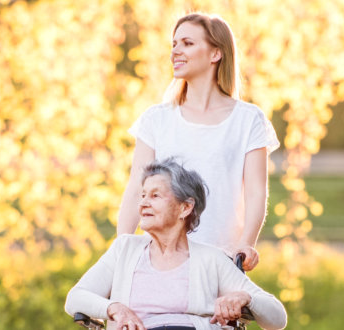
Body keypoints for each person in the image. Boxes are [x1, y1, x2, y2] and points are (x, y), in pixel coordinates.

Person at [117, 12, 278, 272]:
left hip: (222, 263)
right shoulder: (156, 119)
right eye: (174, 44)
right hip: (160, 264)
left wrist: (247, 245)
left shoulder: (248, 120)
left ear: (216, 53)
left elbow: (256, 193)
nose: (175, 51)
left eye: (187, 43)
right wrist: (121, 249)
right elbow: (136, 189)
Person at [70, 159, 287, 330]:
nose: (144, 202)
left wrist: (244, 297)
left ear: (185, 208)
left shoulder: (212, 259)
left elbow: (277, 318)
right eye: (143, 195)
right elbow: (75, 299)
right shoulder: (124, 249)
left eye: (155, 196)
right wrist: (113, 308)